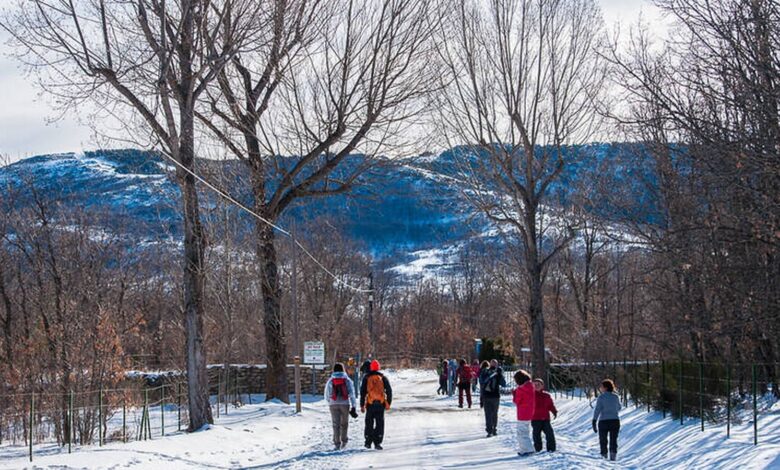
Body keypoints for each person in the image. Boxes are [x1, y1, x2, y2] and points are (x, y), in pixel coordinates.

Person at [324, 362, 358, 450]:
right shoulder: (347, 380)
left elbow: (327, 394)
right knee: (344, 424)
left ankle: (337, 443)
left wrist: (329, 402)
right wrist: (353, 406)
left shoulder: (331, 380)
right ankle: (344, 441)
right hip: (345, 404)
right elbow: (352, 394)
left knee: (336, 424)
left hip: (333, 404)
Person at [360, 359, 393, 450]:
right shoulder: (383, 377)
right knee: (379, 423)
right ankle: (377, 442)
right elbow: (389, 391)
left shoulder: (366, 378)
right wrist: (388, 403)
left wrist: (362, 405)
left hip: (370, 404)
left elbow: (363, 393)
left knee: (369, 423)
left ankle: (368, 442)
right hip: (380, 404)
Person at [592, 378, 622, 461]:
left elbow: (597, 410)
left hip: (603, 421)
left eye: (602, 386)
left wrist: (594, 420)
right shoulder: (615, 397)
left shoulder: (601, 397)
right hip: (615, 421)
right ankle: (613, 457)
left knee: (603, 440)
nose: (600, 388)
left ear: (606, 388)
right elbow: (619, 407)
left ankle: (604, 456)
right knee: (613, 440)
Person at [512, 369, 536, 457]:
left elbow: (516, 401)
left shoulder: (520, 389)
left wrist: (514, 394)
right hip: (530, 411)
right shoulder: (531, 386)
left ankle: (527, 449)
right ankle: (525, 449)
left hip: (522, 413)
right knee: (525, 431)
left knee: (521, 433)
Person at [481, 359, 506, 437]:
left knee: (491, 414)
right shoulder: (489, 372)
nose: (494, 365)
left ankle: (492, 429)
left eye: (494, 364)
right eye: (493, 364)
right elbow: (503, 384)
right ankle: (491, 430)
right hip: (491, 396)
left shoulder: (493, 372)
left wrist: (500, 375)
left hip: (491, 396)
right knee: (492, 413)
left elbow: (503, 384)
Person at [531, 378, 557, 452]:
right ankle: (538, 449)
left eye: (538, 384)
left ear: (542, 386)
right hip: (535, 419)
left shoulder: (546, 396)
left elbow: (550, 405)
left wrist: (554, 411)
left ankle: (551, 449)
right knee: (536, 435)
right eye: (535, 384)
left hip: (545, 419)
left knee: (549, 434)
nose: (536, 386)